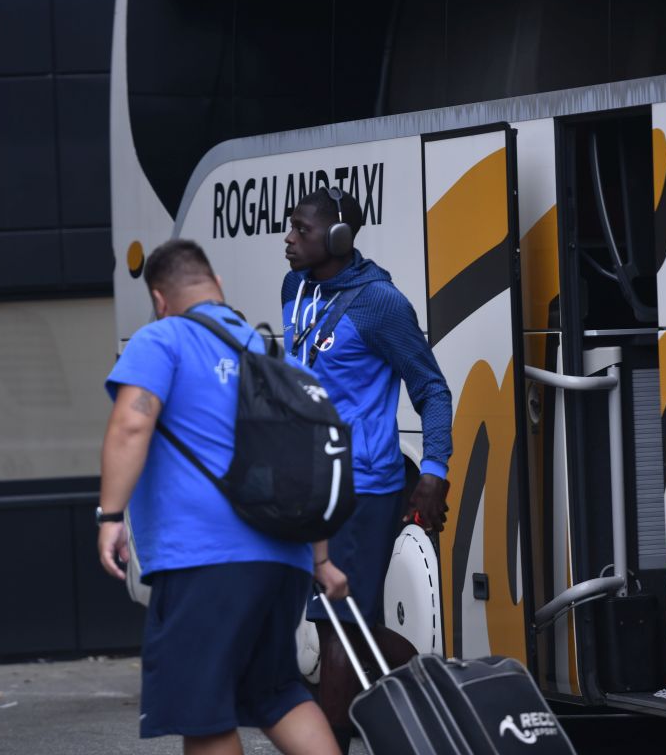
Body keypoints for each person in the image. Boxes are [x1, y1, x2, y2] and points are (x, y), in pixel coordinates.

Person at [97, 239, 349, 755]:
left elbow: (131, 423)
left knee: (204, 712)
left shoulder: (163, 338)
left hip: (205, 561)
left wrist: (111, 515)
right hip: (285, 560)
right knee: (277, 692)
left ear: (160, 299)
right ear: (218, 287)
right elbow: (308, 461)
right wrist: (320, 559)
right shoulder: (270, 353)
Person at [282, 187, 453, 749]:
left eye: (301, 229)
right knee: (348, 624)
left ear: (337, 238)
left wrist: (432, 471)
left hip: (363, 485)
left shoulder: (381, 304)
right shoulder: (294, 288)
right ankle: (438, 684)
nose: (288, 238)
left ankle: (332, 743)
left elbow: (431, 389)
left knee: (338, 625)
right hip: (308, 483)